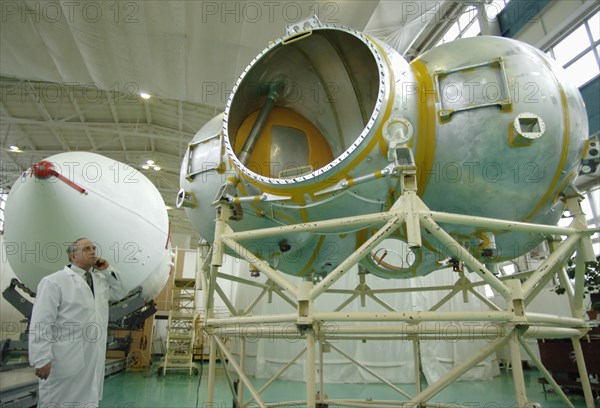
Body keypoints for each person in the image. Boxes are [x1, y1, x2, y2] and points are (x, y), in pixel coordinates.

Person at [29, 237, 128, 407]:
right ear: (72, 256)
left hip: (93, 357)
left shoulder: (100, 281)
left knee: (88, 401)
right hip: (64, 358)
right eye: (86, 249)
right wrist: (41, 358)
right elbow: (41, 322)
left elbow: (120, 292)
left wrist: (107, 269)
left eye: (94, 248)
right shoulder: (54, 281)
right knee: (57, 401)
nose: (92, 252)